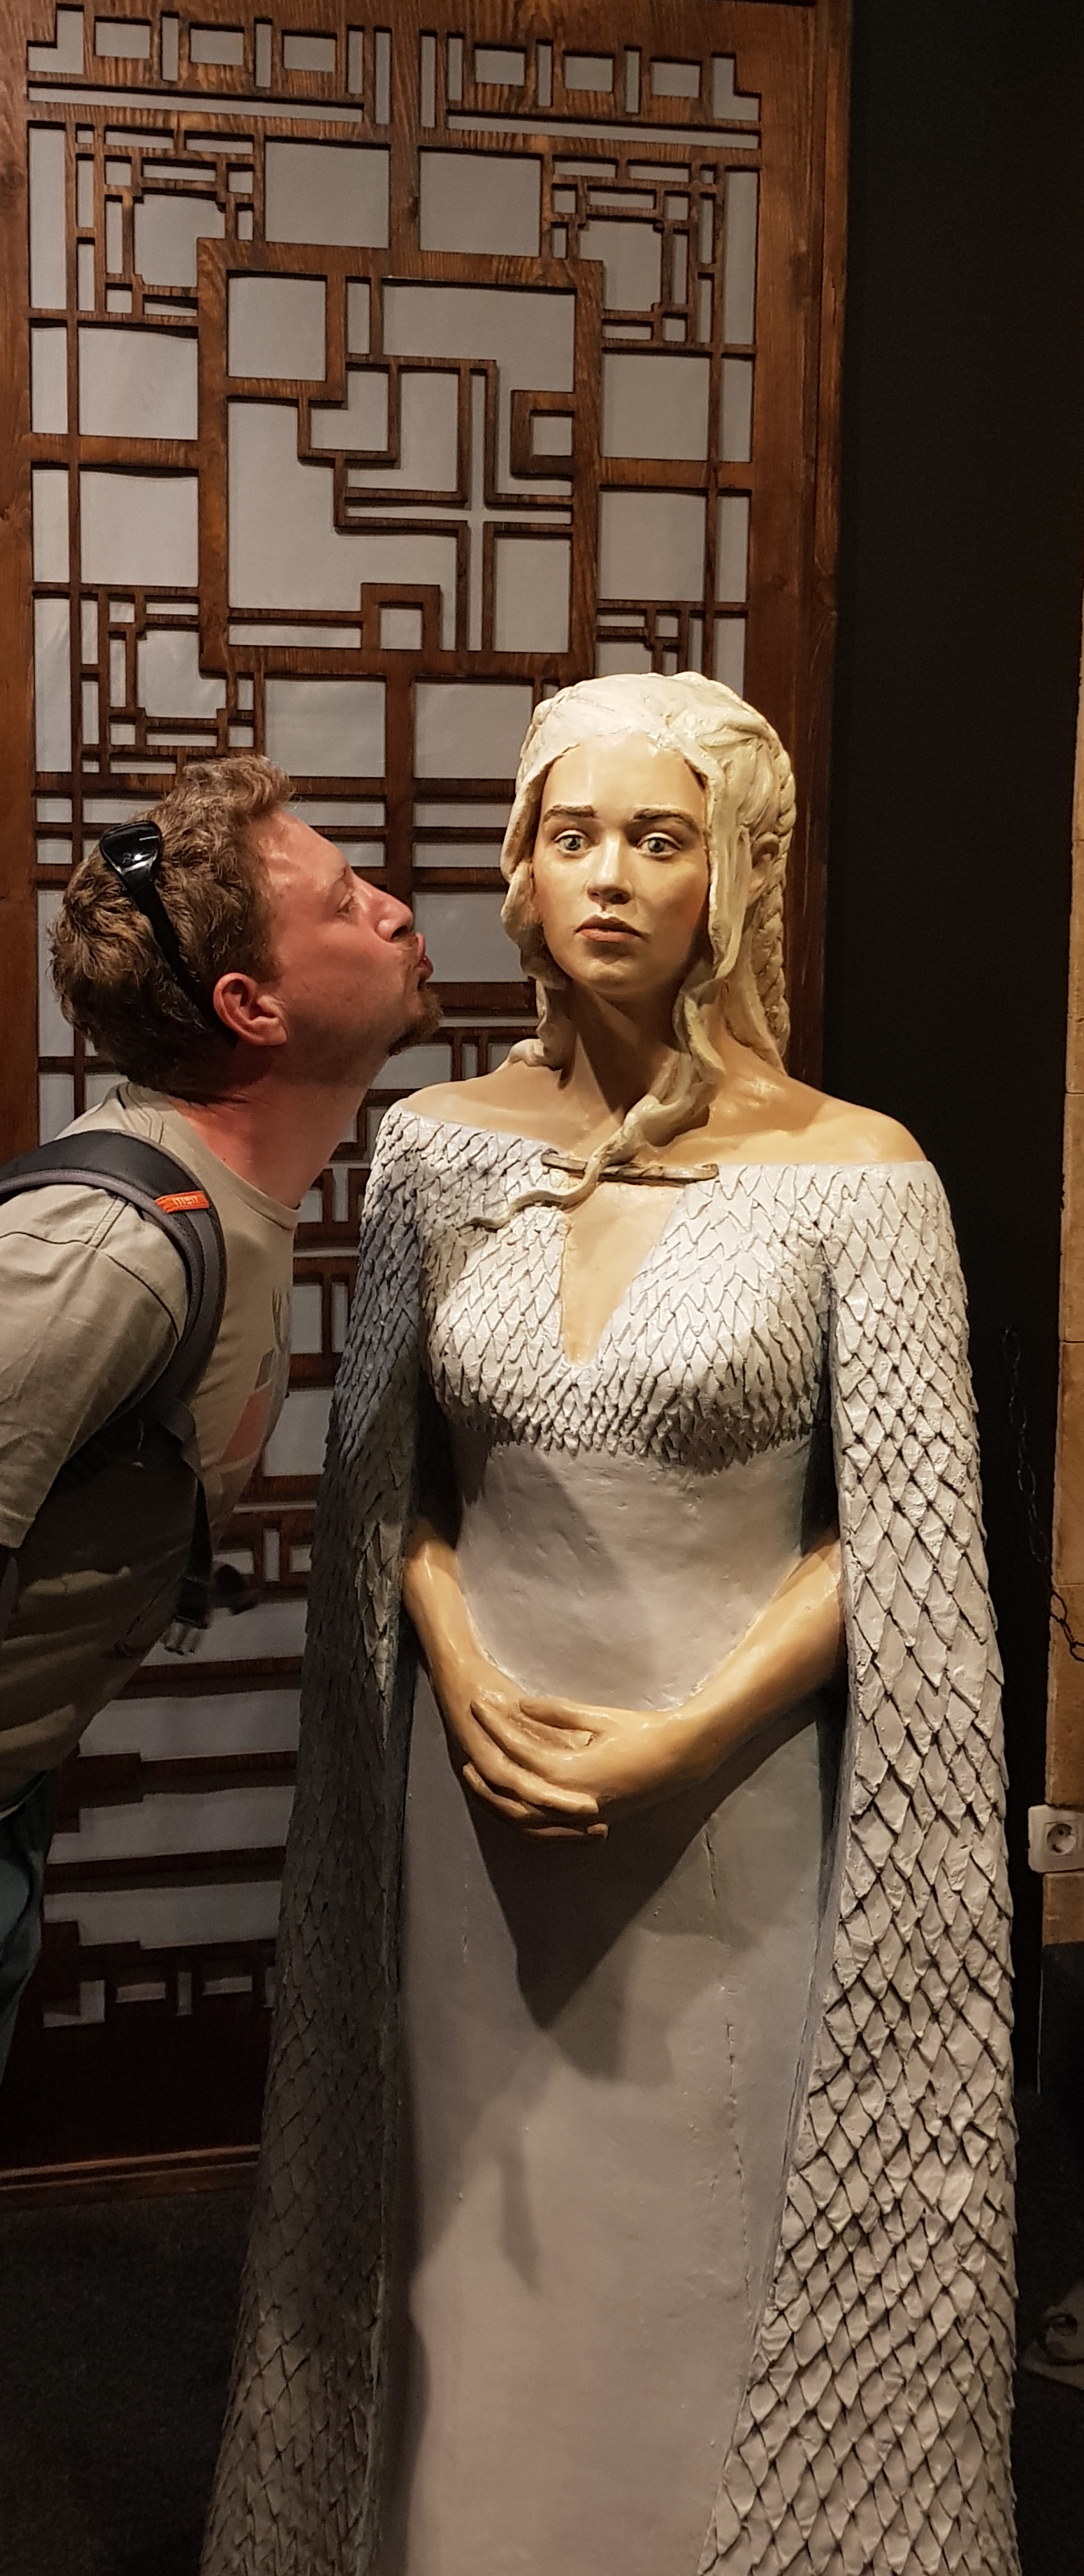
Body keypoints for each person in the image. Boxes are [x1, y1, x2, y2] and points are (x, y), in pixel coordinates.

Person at [204, 676, 1018, 2576]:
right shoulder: (438, 1150)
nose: (610, 877)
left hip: (732, 1803)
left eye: (661, 839)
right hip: (467, 1796)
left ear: (736, 871)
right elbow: (385, 1488)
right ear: (522, 866)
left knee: (709, 2219)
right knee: (462, 2218)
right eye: (572, 835)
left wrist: (691, 1729)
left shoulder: (859, 1173)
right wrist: (457, 1652)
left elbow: (902, 1536)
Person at [0, 751, 435, 2576]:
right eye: (342, 896)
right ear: (251, 1005)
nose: (393, 906)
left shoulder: (238, 1214)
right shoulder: (101, 1265)